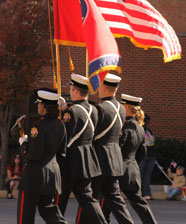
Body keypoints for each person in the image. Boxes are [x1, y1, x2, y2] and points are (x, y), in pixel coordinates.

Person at [77, 73, 134, 224]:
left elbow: (91, 133)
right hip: (114, 158)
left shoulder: (100, 108)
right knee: (115, 200)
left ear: (103, 86)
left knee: (89, 198)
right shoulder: (121, 108)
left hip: (99, 159)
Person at [11, 89, 68, 224]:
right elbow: (62, 152)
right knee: (49, 212)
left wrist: (23, 144)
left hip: (34, 176)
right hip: (52, 174)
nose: (37, 106)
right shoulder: (61, 125)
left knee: (25, 216)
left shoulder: (37, 126)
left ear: (45, 106)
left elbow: (35, 154)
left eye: (39, 103)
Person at [58, 73, 108, 224]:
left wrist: (61, 114)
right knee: (87, 199)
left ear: (76, 91)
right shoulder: (95, 110)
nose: (70, 92)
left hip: (70, 162)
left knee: (59, 202)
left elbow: (64, 137)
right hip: (86, 160)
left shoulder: (71, 112)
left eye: (71, 89)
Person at [102, 94, 157, 224]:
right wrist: (132, 164)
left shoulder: (124, 128)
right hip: (132, 169)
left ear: (126, 107)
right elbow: (142, 153)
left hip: (118, 169)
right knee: (138, 202)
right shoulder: (140, 128)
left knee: (108, 200)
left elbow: (117, 149)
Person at [139, 114, 156, 200]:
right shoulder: (139, 130)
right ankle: (139, 193)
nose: (147, 123)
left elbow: (152, 143)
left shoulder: (149, 131)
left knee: (147, 176)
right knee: (140, 175)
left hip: (151, 156)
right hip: (142, 156)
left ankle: (146, 193)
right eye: (146, 121)